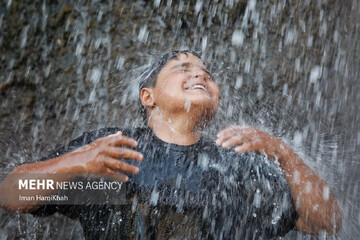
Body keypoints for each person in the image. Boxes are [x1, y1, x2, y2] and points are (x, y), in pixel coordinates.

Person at [0, 50, 342, 239]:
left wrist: (280, 151)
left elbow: (326, 222)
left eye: (207, 73)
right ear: (148, 96)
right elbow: (12, 196)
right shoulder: (111, 154)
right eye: (183, 67)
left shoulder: (238, 166)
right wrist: (76, 162)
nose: (200, 75)